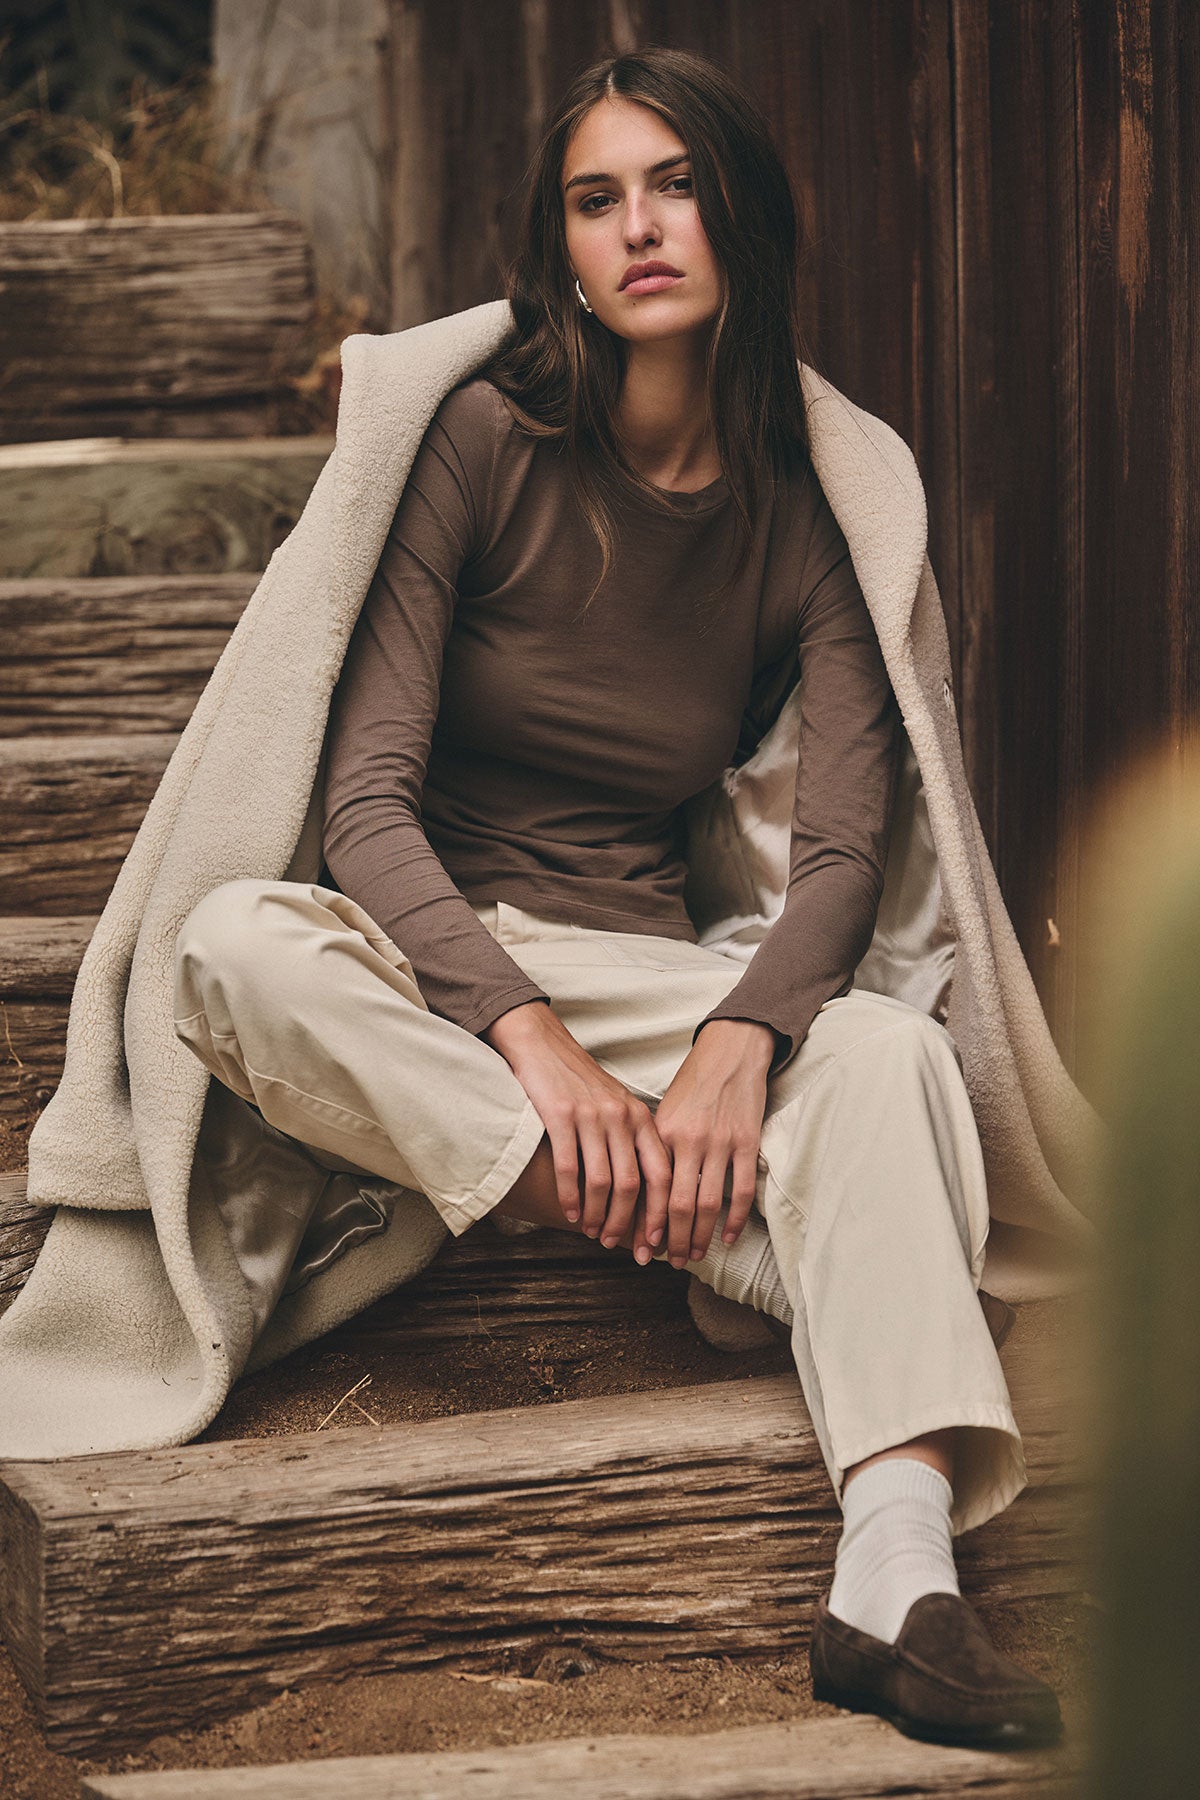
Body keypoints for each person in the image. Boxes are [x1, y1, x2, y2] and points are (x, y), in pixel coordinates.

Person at [171, 47, 1061, 1749]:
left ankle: (896, 1576)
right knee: (231, 949)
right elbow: (361, 807)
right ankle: (715, 1234)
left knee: (883, 1053)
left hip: (646, 970)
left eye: (676, 185)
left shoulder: (815, 507)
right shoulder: (480, 444)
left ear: (743, 217)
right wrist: (527, 1041)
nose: (641, 227)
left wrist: (741, 1036)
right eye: (598, 199)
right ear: (562, 249)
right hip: (429, 972)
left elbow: (844, 855)